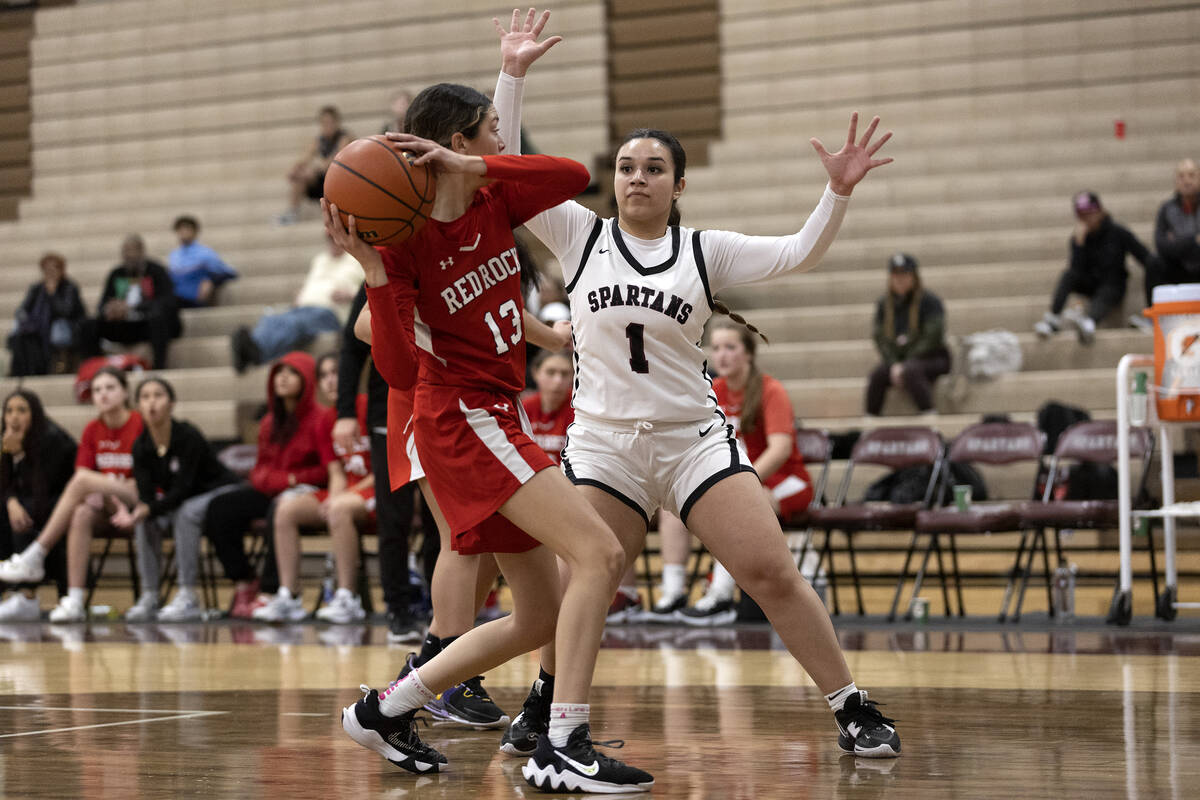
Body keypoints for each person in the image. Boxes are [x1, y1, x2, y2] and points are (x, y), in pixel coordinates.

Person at [510, 37, 901, 768]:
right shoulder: (577, 233)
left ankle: (852, 706)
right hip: (603, 445)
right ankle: (548, 704)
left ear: (678, 184)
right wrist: (513, 76)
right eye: (626, 167)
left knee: (772, 573)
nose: (637, 178)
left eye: (654, 168)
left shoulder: (703, 251)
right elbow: (508, 168)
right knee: (583, 583)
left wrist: (836, 191)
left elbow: (796, 254)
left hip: (694, 440)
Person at [333, 10, 652, 792]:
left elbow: (573, 176)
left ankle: (386, 709)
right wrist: (375, 281)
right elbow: (402, 371)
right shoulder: (403, 244)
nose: (503, 145)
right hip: (461, 417)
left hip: (494, 414)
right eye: (489, 134)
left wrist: (476, 166)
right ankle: (565, 743)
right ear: (456, 140)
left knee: (539, 614)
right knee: (601, 555)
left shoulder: (490, 198)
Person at [659, 321, 816, 624]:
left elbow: (780, 449)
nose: (722, 355)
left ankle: (720, 595)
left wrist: (741, 484)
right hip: (741, 480)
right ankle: (673, 593)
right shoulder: (711, 390)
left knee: (734, 506)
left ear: (749, 354)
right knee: (672, 508)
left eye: (731, 347)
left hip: (785, 480)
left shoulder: (770, 390)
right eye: (716, 348)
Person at [0, 367, 144, 622]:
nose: (103, 395)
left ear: (125, 392)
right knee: (79, 513)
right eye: (97, 390)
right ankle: (74, 600)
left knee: (63, 492)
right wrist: (9, 456)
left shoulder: (138, 424)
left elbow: (78, 479)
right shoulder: (92, 429)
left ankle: (34, 558)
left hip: (138, 495)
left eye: (110, 388)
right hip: (105, 501)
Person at [336, 284, 437, 643]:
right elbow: (351, 347)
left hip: (440, 411)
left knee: (439, 521)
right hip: (388, 416)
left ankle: (440, 612)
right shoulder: (379, 276)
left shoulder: (439, 265)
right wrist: (345, 412)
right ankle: (398, 609)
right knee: (392, 517)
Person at [204, 351, 334, 618]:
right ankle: (243, 579)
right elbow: (260, 468)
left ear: (307, 379)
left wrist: (291, 480)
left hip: (308, 493)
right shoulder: (268, 422)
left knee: (279, 507)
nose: (282, 378)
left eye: (291, 373)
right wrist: (273, 479)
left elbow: (326, 470)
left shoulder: (321, 418)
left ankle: (273, 591)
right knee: (220, 507)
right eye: (279, 373)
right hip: (273, 489)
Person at [254, 353, 374, 623]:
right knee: (286, 510)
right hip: (349, 491)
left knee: (339, 509)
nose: (331, 380)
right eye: (324, 375)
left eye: (337, 373)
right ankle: (289, 595)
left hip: (379, 489)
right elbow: (335, 471)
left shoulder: (368, 406)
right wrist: (335, 495)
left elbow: (384, 469)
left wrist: (342, 498)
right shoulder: (324, 420)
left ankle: (347, 597)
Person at [122, 377, 241, 622]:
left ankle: (188, 594)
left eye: (158, 395)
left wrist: (149, 509)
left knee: (185, 511)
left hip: (216, 491)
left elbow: (184, 488)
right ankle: (150, 595)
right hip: (181, 499)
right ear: (138, 407)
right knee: (145, 521)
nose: (152, 402)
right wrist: (142, 510)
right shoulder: (141, 447)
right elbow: (146, 495)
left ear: (172, 403)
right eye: (145, 397)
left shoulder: (187, 435)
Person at [1033, 191, 1153, 345]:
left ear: (1100, 210)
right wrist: (1079, 244)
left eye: (1090, 212)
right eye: (1082, 215)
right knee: (1068, 275)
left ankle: (1089, 322)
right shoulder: (1079, 238)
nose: (1087, 218)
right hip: (1091, 284)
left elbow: (1145, 257)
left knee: (1110, 288)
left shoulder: (1118, 232)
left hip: (1114, 285)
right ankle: (1054, 319)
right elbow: (1076, 270)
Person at [230, 235, 363, 372]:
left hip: (331, 311)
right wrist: (301, 294)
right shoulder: (320, 260)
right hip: (304, 306)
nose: (333, 242)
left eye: (335, 238)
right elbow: (311, 283)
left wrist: (350, 294)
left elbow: (367, 290)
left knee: (294, 324)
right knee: (271, 319)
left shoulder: (357, 260)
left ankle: (257, 352)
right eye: (330, 239)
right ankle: (252, 346)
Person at [0, 390, 76, 621]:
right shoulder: (7, 439)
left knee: (26, 512)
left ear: (35, 414)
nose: (14, 417)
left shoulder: (52, 439)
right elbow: (5, 485)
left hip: (61, 506)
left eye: (22, 410)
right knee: (8, 510)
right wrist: (6, 455)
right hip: (30, 503)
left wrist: (22, 454)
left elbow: (42, 488)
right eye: (9, 411)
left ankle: (27, 595)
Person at [865, 253, 950, 415]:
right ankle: (871, 421)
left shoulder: (929, 301)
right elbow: (880, 338)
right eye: (896, 276)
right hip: (899, 360)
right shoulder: (885, 304)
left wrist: (904, 363)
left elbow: (932, 337)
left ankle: (929, 414)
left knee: (911, 371)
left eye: (904, 275)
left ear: (914, 276)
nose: (900, 280)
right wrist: (894, 362)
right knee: (877, 375)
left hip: (932, 358)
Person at [80, 234, 181, 370]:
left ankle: (159, 368)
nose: (130, 255)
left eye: (133, 250)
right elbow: (103, 304)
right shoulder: (116, 273)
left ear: (142, 251)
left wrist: (134, 307)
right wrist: (111, 310)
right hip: (124, 325)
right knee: (88, 325)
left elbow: (168, 301)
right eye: (126, 251)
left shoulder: (156, 271)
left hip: (148, 324)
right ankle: (95, 369)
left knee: (158, 320)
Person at [7, 252, 87, 377]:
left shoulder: (69, 287)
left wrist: (52, 294)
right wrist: (25, 319)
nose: (50, 273)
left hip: (66, 327)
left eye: (54, 269)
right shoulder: (37, 288)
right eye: (46, 269)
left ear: (61, 270)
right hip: (39, 326)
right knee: (20, 329)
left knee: (58, 328)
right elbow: (22, 309)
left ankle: (60, 364)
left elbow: (66, 312)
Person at [1141, 158, 1200, 327]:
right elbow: (1162, 245)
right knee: (1153, 262)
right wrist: (1193, 240)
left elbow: (1172, 245)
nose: (1186, 180)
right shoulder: (1167, 209)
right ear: (1176, 180)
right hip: (1180, 269)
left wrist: (1177, 241)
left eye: (1191, 175)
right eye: (1181, 176)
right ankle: (1153, 318)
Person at [278, 105, 353, 225]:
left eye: (330, 122)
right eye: (324, 123)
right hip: (324, 182)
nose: (327, 126)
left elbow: (334, 161)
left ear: (336, 122)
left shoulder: (344, 137)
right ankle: (292, 212)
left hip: (341, 182)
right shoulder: (319, 140)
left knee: (309, 174)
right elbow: (305, 158)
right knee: (299, 178)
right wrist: (295, 170)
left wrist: (312, 171)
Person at [167, 215, 239, 309]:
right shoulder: (174, 255)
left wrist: (211, 280)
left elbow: (228, 272)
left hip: (196, 295)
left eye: (187, 229)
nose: (183, 233)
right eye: (180, 230)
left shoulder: (205, 253)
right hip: (177, 294)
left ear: (195, 231)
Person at [522, 349, 573, 464]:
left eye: (565, 374)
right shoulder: (524, 408)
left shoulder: (580, 410)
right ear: (535, 373)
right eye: (551, 372)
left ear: (572, 376)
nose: (558, 380)